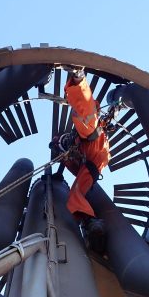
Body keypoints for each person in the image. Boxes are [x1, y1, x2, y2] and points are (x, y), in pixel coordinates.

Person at [51, 67, 112, 252]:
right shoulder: (75, 150)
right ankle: (89, 223)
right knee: (76, 191)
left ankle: (90, 221)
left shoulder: (84, 132)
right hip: (92, 160)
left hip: (94, 157)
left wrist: (78, 80)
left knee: (75, 194)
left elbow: (85, 109)